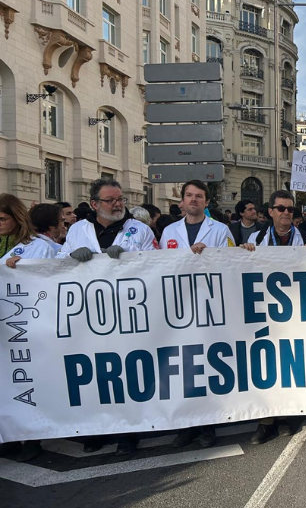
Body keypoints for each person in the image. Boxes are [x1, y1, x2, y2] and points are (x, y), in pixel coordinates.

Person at [59, 180, 155, 454]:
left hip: (127, 311)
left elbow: (156, 264)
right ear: (95, 204)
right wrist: (70, 256)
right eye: (110, 200)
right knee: (95, 371)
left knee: (125, 371)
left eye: (120, 199)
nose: (117, 204)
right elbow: (58, 262)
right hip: (89, 313)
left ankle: (128, 431)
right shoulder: (77, 230)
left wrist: (130, 258)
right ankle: (98, 428)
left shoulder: (140, 230)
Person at [162, 181, 235, 449]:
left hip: (209, 305)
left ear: (206, 202)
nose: (193, 200)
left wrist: (209, 256)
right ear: (181, 201)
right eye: (189, 195)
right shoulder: (169, 231)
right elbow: (159, 265)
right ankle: (187, 425)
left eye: (199, 196)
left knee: (207, 364)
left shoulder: (221, 230)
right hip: (179, 307)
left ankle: (208, 425)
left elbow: (232, 263)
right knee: (183, 367)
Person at [241, 190, 306, 444]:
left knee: (289, 361)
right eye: (281, 208)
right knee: (266, 363)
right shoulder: (256, 238)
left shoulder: (305, 237)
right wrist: (244, 252)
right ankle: (265, 420)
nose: (286, 213)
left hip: (294, 310)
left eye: (290, 209)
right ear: (271, 211)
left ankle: (284, 416)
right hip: (265, 311)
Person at [0, 195, 58, 462]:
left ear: (18, 217)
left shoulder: (37, 247)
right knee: (7, 385)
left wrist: (21, 271)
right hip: (5, 328)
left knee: (28, 382)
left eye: (3, 219)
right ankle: (11, 436)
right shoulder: (5, 244)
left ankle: (33, 438)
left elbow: (45, 281)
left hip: (27, 327)